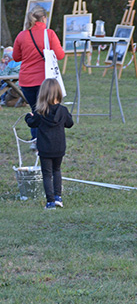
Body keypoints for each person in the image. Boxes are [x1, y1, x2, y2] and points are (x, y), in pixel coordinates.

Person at [12, 6, 65, 146]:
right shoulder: (49, 34)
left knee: (35, 110)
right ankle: (46, 141)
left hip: (26, 80)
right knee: (47, 111)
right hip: (45, 80)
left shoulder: (22, 35)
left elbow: (16, 57)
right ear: (44, 19)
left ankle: (35, 140)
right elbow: (60, 55)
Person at [25, 78, 73, 210]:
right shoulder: (63, 110)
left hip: (45, 148)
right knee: (57, 170)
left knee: (47, 174)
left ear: (42, 94)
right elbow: (70, 124)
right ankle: (58, 197)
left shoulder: (39, 112)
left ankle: (50, 202)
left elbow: (31, 122)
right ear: (58, 93)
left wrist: (27, 116)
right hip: (59, 147)